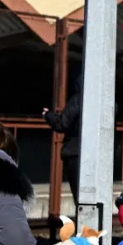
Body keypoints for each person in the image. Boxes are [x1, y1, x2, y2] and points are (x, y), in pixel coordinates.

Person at [41, 75, 82, 207]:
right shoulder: (107, 100)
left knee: (79, 197)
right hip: (96, 154)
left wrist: (48, 115)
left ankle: (84, 225)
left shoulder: (78, 99)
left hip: (75, 152)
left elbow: (62, 123)